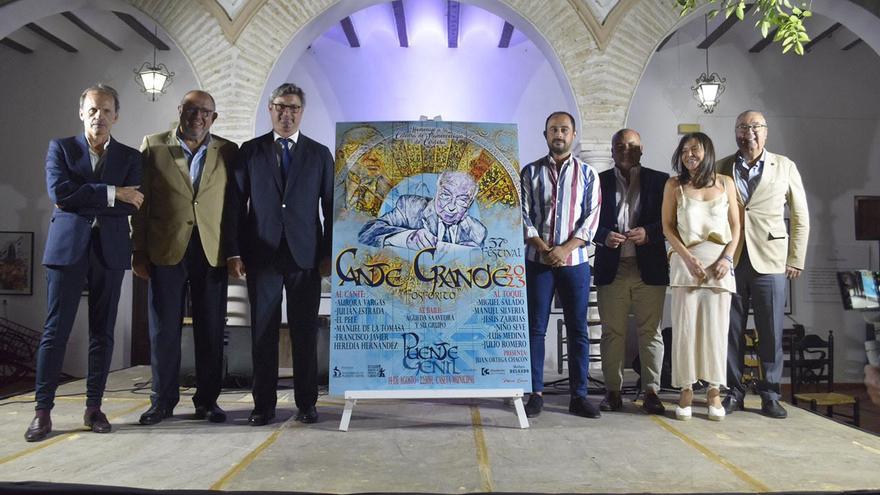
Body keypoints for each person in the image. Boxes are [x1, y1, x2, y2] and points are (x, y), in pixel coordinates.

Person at [26, 84, 143, 442]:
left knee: (102, 333)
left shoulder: (129, 156)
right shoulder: (60, 148)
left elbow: (132, 203)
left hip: (109, 250)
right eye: (93, 110)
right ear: (82, 113)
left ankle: (94, 408)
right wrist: (111, 192)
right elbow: (59, 193)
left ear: (116, 116)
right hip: (66, 250)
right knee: (55, 332)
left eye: (106, 110)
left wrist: (86, 198)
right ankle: (42, 412)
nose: (99, 116)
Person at [223, 83, 333, 426]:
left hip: (306, 257)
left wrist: (328, 254)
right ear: (270, 110)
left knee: (304, 333)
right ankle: (263, 406)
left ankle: (306, 403)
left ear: (302, 112)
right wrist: (234, 252)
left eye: (294, 108)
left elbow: (332, 208)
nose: (287, 114)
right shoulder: (250, 151)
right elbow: (234, 206)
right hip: (262, 255)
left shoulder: (319, 154)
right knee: (263, 333)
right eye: (281, 107)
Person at [132, 90, 238, 425]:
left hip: (211, 251)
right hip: (166, 249)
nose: (198, 117)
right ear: (180, 110)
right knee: (164, 330)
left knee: (210, 329)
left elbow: (235, 207)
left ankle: (207, 401)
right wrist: (138, 250)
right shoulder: (153, 145)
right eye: (191, 110)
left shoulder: (228, 151)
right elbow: (140, 203)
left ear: (214, 118)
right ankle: (161, 401)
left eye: (205, 112)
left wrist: (236, 251)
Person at [718, 110, 810, 418]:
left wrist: (795, 257)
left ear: (766, 132)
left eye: (756, 126)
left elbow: (800, 216)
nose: (750, 132)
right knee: (730, 330)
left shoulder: (784, 166)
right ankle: (733, 391)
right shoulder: (721, 168)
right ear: (736, 133)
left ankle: (770, 393)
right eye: (743, 127)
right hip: (731, 259)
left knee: (770, 331)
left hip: (771, 260)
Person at [520, 111, 601, 419]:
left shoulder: (588, 175)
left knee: (578, 328)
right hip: (538, 261)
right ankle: (535, 393)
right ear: (545, 135)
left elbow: (591, 218)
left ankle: (579, 396)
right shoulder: (529, 173)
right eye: (553, 129)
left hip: (576, 262)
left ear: (574, 134)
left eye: (564, 129)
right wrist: (545, 248)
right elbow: (523, 217)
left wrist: (565, 249)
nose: (559, 134)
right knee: (535, 328)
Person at [662, 132, 739, 421]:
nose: (689, 155)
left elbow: (736, 227)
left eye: (695, 149)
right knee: (685, 331)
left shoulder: (725, 183)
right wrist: (686, 256)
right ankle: (685, 390)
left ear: (707, 151)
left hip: (719, 265)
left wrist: (728, 258)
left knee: (716, 332)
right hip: (686, 263)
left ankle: (714, 392)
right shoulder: (674, 185)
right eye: (684, 150)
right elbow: (667, 227)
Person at [593, 129, 669, 415]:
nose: (626, 150)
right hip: (612, 268)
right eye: (620, 146)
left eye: (632, 146)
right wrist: (603, 236)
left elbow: (672, 222)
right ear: (612, 151)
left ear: (641, 149)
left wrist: (649, 233)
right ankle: (612, 392)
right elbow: (584, 221)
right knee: (612, 333)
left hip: (648, 267)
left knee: (651, 332)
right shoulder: (597, 182)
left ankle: (651, 392)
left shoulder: (661, 181)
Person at [357, 171, 486, 249]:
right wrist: (407, 238)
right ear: (437, 192)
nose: (451, 207)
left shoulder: (477, 231)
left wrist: (472, 257)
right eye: (445, 195)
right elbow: (366, 232)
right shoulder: (409, 207)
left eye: (462, 200)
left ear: (469, 204)